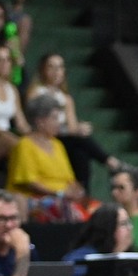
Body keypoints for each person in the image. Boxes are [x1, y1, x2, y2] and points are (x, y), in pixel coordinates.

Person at [26, 53, 132, 191]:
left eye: (59, 67)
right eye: (51, 67)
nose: (56, 71)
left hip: (67, 139)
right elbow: (35, 120)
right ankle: (111, 162)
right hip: (45, 136)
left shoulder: (66, 98)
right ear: (43, 70)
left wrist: (79, 128)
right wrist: (75, 130)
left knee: (81, 153)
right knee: (80, 140)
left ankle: (84, 193)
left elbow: (72, 126)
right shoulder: (36, 92)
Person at [7, 94, 91, 222]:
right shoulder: (25, 145)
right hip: (35, 198)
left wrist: (78, 191)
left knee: (95, 209)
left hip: (63, 197)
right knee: (66, 209)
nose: (59, 123)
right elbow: (30, 183)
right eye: (55, 118)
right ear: (40, 122)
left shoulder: (58, 145)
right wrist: (60, 194)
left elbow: (70, 179)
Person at [61, 202, 133, 276]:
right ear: (108, 228)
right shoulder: (82, 259)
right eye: (123, 224)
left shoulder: (132, 258)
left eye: (129, 222)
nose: (130, 228)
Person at [0, 188, 30, 276]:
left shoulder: (26, 247)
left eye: (13, 218)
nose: (9, 225)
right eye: (1, 219)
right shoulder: (23, 247)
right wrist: (23, 252)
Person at [0, 43, 27, 164]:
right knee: (17, 144)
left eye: (7, 59)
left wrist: (35, 136)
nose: (4, 63)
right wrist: (6, 134)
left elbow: (21, 123)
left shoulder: (12, 89)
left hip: (8, 135)